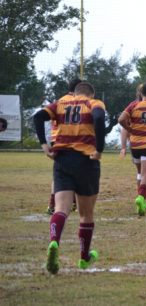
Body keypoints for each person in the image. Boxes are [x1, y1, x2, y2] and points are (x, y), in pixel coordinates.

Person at [33, 81, 105, 274]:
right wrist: (99, 150)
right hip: (86, 162)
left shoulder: (60, 104)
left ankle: (54, 241)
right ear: (90, 93)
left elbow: (38, 117)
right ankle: (83, 257)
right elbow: (98, 119)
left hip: (62, 161)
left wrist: (44, 146)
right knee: (86, 214)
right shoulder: (93, 103)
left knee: (61, 209)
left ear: (74, 93)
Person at [118, 83, 146, 216]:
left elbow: (121, 119)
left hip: (135, 145)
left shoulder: (133, 105)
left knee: (140, 173)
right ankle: (141, 197)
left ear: (141, 93)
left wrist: (130, 129)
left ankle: (144, 198)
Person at [46, 78, 82, 215]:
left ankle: (52, 204)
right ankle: (76, 203)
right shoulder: (80, 102)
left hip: (57, 140)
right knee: (79, 172)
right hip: (74, 139)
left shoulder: (59, 101)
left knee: (60, 173)